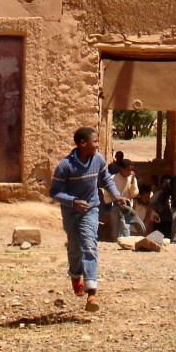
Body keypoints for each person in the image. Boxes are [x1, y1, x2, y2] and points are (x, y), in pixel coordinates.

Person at [50, 126, 125, 313]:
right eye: (95, 142)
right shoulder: (65, 166)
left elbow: (105, 179)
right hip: (71, 212)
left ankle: (92, 292)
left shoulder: (98, 160)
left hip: (91, 209)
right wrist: (73, 202)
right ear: (83, 144)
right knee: (75, 246)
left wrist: (115, 194)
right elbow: (55, 192)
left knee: (89, 244)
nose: (98, 145)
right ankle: (76, 275)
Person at [111, 159, 140, 237]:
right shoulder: (113, 178)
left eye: (131, 170)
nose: (130, 172)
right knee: (115, 227)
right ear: (121, 169)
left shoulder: (132, 179)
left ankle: (125, 242)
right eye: (128, 170)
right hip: (115, 206)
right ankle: (115, 243)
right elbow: (108, 193)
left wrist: (132, 182)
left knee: (125, 226)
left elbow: (134, 194)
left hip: (127, 207)